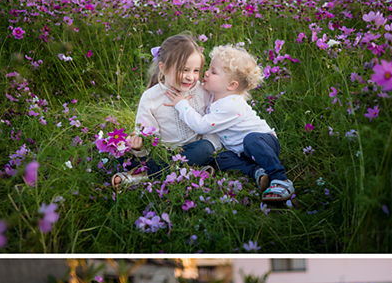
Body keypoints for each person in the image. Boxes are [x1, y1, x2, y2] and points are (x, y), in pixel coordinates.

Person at [173, 46, 295, 204]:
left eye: (214, 71)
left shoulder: (231, 105)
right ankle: (257, 172)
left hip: (263, 144)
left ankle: (281, 179)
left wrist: (182, 105)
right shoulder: (215, 95)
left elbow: (202, 126)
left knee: (251, 140)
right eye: (208, 68)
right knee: (219, 159)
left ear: (231, 85)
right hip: (242, 153)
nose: (207, 73)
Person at [108, 31, 206, 183]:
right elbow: (146, 134)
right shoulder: (151, 97)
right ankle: (185, 171)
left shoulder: (201, 91)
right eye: (184, 70)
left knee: (206, 148)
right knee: (123, 155)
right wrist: (139, 147)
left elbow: (211, 124)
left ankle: (144, 176)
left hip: (195, 149)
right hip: (163, 153)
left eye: (196, 70)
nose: (191, 77)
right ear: (163, 68)